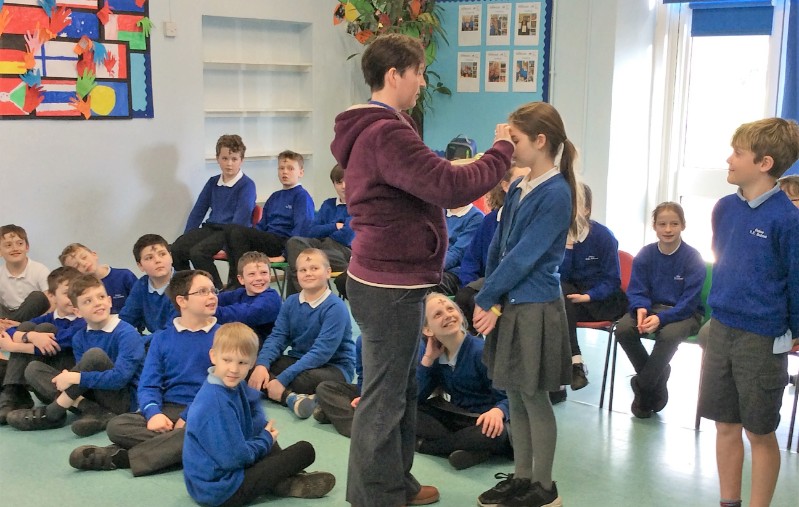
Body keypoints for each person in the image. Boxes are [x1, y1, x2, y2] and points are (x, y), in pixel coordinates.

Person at [330, 33, 512, 507]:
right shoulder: (385, 133)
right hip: (387, 284)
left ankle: (397, 484)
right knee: (385, 396)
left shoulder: (385, 127)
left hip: (390, 280)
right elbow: (449, 185)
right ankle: (376, 497)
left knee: (401, 389)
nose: (422, 83)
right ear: (395, 75)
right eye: (419, 73)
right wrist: (501, 151)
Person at [472, 102, 582, 507]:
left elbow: (524, 257)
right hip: (511, 302)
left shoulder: (557, 193)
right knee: (515, 394)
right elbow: (499, 248)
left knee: (534, 397)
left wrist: (487, 296)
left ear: (540, 141)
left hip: (536, 306)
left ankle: (544, 486)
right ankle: (521, 478)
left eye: (514, 140)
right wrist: (492, 297)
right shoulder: (519, 187)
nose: (509, 147)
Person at [697, 118, 799, 507]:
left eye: (738, 153)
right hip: (722, 328)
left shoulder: (788, 220)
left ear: (764, 163)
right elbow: (724, 259)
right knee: (725, 425)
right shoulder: (724, 208)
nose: (729, 159)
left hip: (762, 338)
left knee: (759, 432)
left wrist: (793, 331)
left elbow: (796, 282)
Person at [69, 270, 219, 475]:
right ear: (182, 301)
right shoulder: (162, 338)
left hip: (206, 409)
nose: (212, 296)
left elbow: (221, 387)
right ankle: (184, 448)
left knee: (211, 430)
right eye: (202, 291)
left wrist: (188, 415)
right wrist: (153, 412)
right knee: (117, 426)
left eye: (213, 290)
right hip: (168, 408)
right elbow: (149, 384)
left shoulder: (223, 336)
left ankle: (123, 457)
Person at [182, 322, 335, 507]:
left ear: (252, 362)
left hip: (221, 475)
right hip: (220, 490)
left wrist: (264, 436)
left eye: (242, 363)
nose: (234, 369)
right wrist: (265, 441)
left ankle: (284, 480)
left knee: (266, 434)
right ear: (213, 356)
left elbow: (255, 418)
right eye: (227, 360)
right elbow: (234, 459)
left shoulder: (233, 385)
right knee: (304, 451)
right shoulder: (216, 402)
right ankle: (285, 481)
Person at [7, 274, 145, 437]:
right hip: (92, 395)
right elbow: (82, 380)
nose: (97, 303)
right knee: (33, 369)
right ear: (77, 312)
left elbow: (120, 378)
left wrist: (76, 378)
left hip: (122, 399)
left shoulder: (126, 333)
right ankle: (94, 411)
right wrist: (75, 378)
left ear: (109, 301)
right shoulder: (80, 337)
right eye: (88, 301)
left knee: (94, 356)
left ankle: (53, 413)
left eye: (101, 297)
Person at [615, 202, 705, 418]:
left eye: (674, 224)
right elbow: (637, 289)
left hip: (685, 313)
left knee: (669, 335)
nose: (668, 229)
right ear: (654, 226)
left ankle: (643, 385)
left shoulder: (693, 258)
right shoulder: (646, 254)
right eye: (662, 224)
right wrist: (641, 309)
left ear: (683, 225)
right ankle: (657, 374)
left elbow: (689, 302)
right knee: (623, 329)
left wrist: (662, 319)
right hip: (650, 308)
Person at [248, 249, 354, 419]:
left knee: (302, 380)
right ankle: (292, 398)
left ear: (328, 272)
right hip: (298, 360)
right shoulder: (291, 302)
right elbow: (277, 337)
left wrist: (282, 379)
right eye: (303, 270)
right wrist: (261, 365)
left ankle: (289, 392)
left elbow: (320, 353)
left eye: (314, 268)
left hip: (333, 367)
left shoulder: (335, 308)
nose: (308, 273)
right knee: (251, 367)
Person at [416, 293, 512, 471]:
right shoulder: (436, 356)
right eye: (438, 314)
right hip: (459, 418)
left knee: (494, 434)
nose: (447, 315)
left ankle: (427, 446)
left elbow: (511, 397)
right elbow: (415, 397)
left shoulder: (480, 351)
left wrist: (498, 412)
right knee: (409, 411)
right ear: (427, 330)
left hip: (487, 421)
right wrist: (428, 360)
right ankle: (471, 450)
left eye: (450, 309)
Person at [559, 183, 627, 395]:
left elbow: (612, 280)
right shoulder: (559, 235)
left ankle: (574, 365)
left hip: (602, 298)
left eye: (576, 204)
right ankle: (571, 367)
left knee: (559, 306)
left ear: (587, 209)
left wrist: (589, 296)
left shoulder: (603, 236)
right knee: (553, 301)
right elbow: (561, 276)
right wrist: (568, 248)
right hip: (572, 299)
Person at [0, 266, 84, 424]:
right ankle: (13, 392)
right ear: (52, 296)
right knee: (27, 327)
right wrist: (29, 335)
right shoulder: (50, 317)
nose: (73, 298)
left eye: (77, 293)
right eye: (67, 294)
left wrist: (12, 347)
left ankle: (16, 392)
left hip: (67, 382)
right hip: (41, 383)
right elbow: (11, 330)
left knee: (45, 329)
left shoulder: (83, 321)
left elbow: (56, 344)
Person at [171, 135, 257, 289]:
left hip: (231, 232)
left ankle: (216, 289)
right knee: (177, 249)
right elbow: (198, 211)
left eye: (234, 159)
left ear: (241, 160)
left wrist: (227, 245)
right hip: (211, 228)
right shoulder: (212, 182)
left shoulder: (247, 185)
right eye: (225, 158)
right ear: (217, 158)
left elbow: (241, 220)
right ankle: (187, 287)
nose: (229, 163)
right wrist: (187, 236)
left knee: (198, 253)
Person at [456, 165, 530, 332]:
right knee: (465, 296)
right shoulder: (490, 221)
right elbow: (471, 260)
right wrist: (470, 285)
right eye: (521, 180)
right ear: (505, 186)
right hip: (487, 282)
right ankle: (473, 344)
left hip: (518, 284)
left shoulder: (533, 219)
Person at [224, 150, 314, 286]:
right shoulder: (274, 197)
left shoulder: (302, 197)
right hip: (268, 239)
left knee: (237, 233)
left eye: (290, 168)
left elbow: (301, 231)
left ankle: (239, 285)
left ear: (300, 172)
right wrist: (253, 235)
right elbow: (262, 225)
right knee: (230, 230)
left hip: (284, 243)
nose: (285, 172)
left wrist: (285, 255)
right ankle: (237, 283)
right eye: (281, 168)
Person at [284, 164, 353, 297]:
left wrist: (323, 229)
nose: (344, 186)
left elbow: (346, 236)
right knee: (294, 242)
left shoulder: (358, 206)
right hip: (320, 247)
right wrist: (334, 226)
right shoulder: (328, 204)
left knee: (299, 260)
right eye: (339, 182)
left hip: (343, 253)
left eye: (348, 181)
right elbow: (310, 231)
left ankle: (305, 298)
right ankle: (309, 295)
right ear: (334, 184)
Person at [215, 251, 282, 349]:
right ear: (241, 279)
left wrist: (208, 311)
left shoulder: (271, 298)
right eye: (252, 274)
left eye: (264, 273)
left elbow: (248, 314)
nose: (258, 278)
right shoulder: (239, 293)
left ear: (269, 275)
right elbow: (216, 299)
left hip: (262, 352)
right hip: (240, 348)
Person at [119, 234, 176, 340]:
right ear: (140, 266)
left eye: (162, 254)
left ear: (171, 257)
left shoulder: (184, 285)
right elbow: (126, 318)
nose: (157, 260)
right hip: (153, 341)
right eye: (149, 258)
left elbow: (172, 331)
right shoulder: (141, 285)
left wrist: (140, 341)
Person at [59, 242, 137, 314]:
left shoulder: (124, 275)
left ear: (94, 255)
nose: (84, 264)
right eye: (77, 265)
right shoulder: (80, 291)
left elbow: (140, 302)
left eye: (84, 257)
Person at [312, 334, 362, 438]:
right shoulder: (362, 340)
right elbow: (362, 377)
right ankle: (360, 423)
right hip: (372, 392)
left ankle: (339, 416)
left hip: (392, 397)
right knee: (324, 388)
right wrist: (365, 395)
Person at [0, 224, 50, 324]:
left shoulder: (40, 270)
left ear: (27, 247)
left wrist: (36, 321)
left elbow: (52, 302)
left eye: (20, 244)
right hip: (7, 315)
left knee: (38, 297)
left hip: (33, 318)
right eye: (8, 245)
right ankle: (12, 325)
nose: (15, 248)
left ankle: (15, 326)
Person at [435, 203, 484, 296]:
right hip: (433, 267)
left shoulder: (476, 217)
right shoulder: (439, 211)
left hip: (456, 272)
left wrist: (430, 268)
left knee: (424, 287)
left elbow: (457, 253)